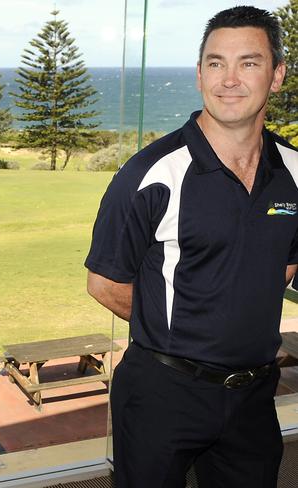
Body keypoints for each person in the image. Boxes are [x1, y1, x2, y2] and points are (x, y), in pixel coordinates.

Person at [85, 5, 298, 488]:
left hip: (253, 395)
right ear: (200, 75)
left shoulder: (295, 172)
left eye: (249, 62)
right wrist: (183, 332)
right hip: (162, 393)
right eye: (216, 63)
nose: (230, 79)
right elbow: (104, 283)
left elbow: (286, 263)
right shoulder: (149, 174)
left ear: (277, 75)